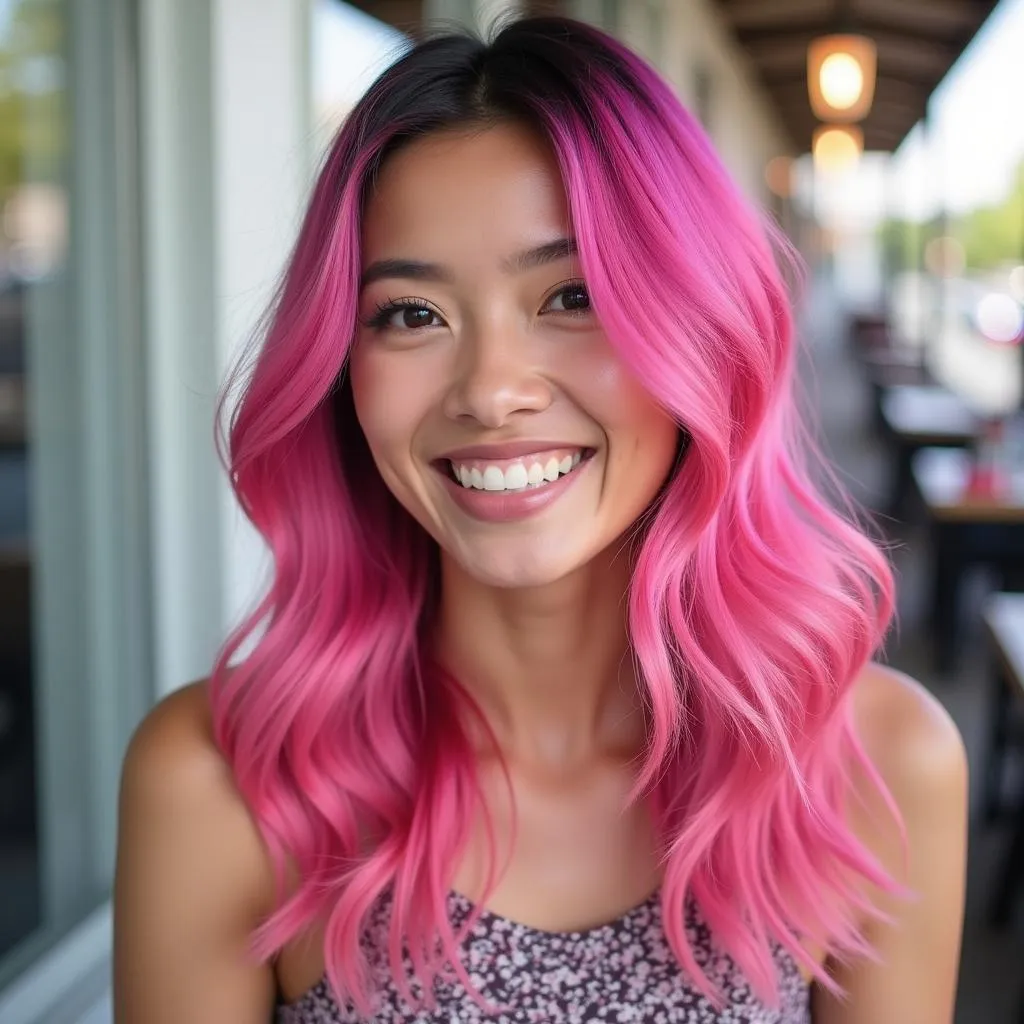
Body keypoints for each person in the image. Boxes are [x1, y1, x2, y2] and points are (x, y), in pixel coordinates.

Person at [112, 15, 968, 1024]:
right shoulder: (223, 784)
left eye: (570, 295)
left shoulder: (873, 762)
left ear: (700, 332)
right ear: (342, 373)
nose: (490, 390)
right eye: (410, 314)